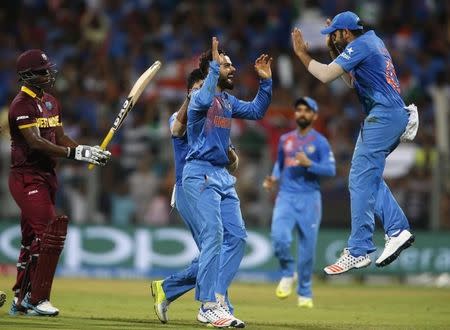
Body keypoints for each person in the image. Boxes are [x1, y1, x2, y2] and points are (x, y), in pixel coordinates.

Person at [291, 11, 418, 275]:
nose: (332, 39)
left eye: (334, 35)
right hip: (389, 116)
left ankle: (358, 249)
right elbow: (350, 82)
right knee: (368, 178)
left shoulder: (361, 45)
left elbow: (326, 76)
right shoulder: (371, 42)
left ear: (346, 33)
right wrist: (333, 53)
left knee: (359, 178)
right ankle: (397, 229)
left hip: (383, 117)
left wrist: (303, 55)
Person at [8, 49, 111, 316]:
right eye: (42, 72)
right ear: (27, 76)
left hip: (48, 177)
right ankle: (38, 298)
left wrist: (86, 150)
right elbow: (36, 142)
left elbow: (60, 137)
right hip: (26, 176)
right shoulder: (21, 105)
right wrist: (75, 153)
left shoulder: (52, 101)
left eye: (47, 69)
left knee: (30, 240)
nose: (48, 74)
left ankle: (20, 300)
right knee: (48, 235)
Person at [180, 37, 272, 327]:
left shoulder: (228, 101)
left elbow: (257, 111)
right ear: (212, 69)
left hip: (222, 175)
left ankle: (217, 298)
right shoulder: (199, 98)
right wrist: (212, 67)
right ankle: (207, 306)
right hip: (200, 173)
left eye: (232, 65)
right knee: (214, 237)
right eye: (226, 65)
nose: (233, 69)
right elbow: (205, 100)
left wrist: (266, 83)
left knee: (238, 236)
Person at [151, 68, 243, 327]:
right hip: (188, 188)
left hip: (211, 183)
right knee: (215, 246)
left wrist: (231, 157)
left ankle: (169, 290)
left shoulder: (214, 121)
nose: (208, 91)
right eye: (202, 86)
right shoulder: (180, 116)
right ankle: (215, 305)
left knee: (216, 250)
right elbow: (176, 131)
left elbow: (231, 163)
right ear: (190, 91)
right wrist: (190, 99)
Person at [263, 96, 335, 307]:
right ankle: (287, 273)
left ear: (314, 116)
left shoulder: (320, 142)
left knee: (307, 250)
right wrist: (274, 177)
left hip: (310, 198)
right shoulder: (286, 140)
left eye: (306, 110)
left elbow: (330, 170)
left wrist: (309, 163)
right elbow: (280, 163)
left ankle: (305, 291)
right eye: (299, 110)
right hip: (285, 196)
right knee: (279, 237)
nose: (301, 113)